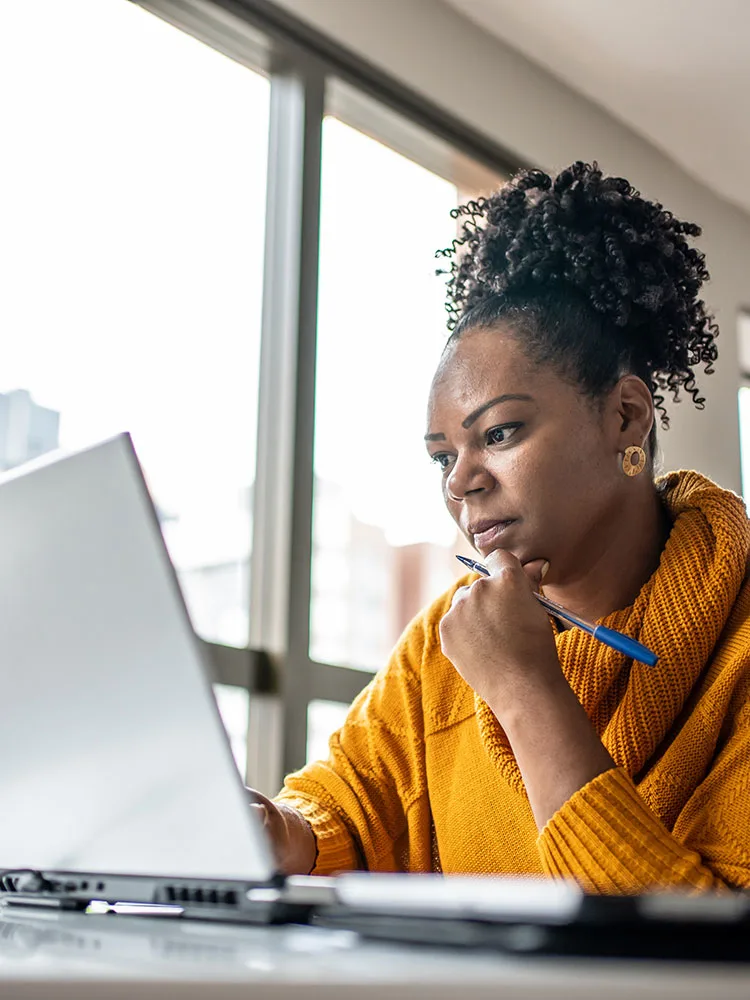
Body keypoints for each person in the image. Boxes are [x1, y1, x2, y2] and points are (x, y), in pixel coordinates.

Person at [249, 161, 750, 892]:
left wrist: (525, 692)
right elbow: (347, 814)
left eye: (501, 433)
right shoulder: (440, 645)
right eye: (442, 457)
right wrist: (277, 830)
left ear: (626, 416)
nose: (461, 480)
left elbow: (706, 962)